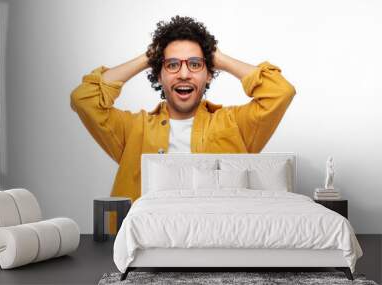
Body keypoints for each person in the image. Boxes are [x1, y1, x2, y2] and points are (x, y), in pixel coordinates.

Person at [70, 15, 296, 233]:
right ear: (158, 76)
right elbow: (84, 99)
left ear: (209, 74)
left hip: (218, 236)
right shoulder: (132, 129)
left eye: (196, 64)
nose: (185, 74)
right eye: (172, 65)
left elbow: (280, 92)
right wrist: (149, 57)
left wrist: (221, 59)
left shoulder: (236, 124)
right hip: (145, 238)